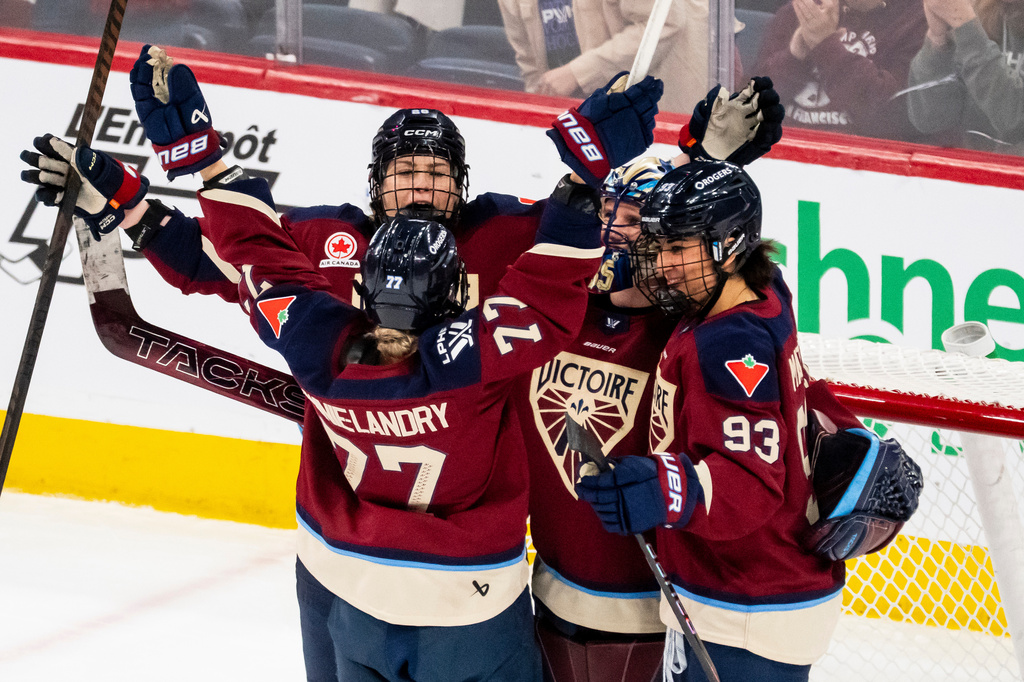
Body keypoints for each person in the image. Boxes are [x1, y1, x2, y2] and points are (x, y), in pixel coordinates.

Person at [191, 171, 603, 679]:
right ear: (456, 288)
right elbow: (544, 300)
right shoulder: (470, 364)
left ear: (362, 286)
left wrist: (205, 161)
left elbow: (261, 257)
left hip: (356, 594)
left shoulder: (314, 345)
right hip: (468, 604)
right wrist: (580, 192)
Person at [572, 159, 922, 681]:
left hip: (748, 608)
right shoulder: (764, 291)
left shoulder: (730, 344)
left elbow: (749, 484)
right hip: (753, 594)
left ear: (730, 246)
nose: (663, 265)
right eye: (660, 246)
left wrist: (660, 488)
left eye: (678, 248)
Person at [519, 80, 785, 682]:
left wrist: (712, 162)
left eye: (634, 220)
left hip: (652, 616)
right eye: (608, 212)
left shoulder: (695, 326)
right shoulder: (551, 306)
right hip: (543, 596)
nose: (613, 230)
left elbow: (758, 297)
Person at [753, 0, 929, 139]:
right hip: (785, 156)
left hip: (865, 168)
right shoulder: (798, 10)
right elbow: (751, 111)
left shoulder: (917, 21)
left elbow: (893, 121)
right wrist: (794, 55)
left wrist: (825, 45)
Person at [497, 0, 712, 113]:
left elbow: (664, 23)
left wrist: (577, 73)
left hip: (656, 108)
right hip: (582, 120)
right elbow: (530, 66)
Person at [906, 0, 1024, 154]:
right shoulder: (983, 11)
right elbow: (930, 119)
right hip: (974, 169)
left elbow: (1015, 123)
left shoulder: (971, 26)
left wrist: (968, 30)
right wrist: (938, 41)